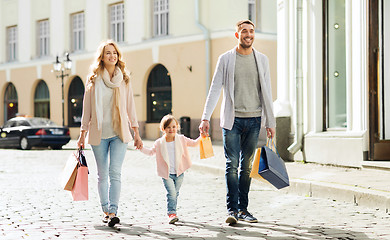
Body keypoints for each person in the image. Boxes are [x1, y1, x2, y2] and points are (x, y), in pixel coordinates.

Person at [199, 20, 276, 225]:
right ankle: (232, 209)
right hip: (231, 121)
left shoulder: (262, 60)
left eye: (251, 31)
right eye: (244, 31)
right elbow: (215, 88)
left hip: (254, 120)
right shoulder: (225, 59)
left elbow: (266, 92)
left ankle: (243, 209)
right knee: (231, 165)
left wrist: (270, 121)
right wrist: (206, 117)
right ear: (237, 35)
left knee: (246, 166)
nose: (248, 34)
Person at [76, 39, 143, 227]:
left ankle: (113, 211)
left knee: (115, 173)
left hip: (119, 133)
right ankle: (105, 210)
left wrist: (136, 133)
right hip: (98, 134)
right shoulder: (93, 80)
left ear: (118, 56)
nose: (112, 55)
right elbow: (86, 110)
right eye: (108, 53)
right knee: (102, 174)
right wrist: (82, 134)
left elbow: (131, 108)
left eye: (114, 53)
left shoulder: (124, 80)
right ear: (102, 57)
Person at [139, 114, 200, 224]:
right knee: (171, 193)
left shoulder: (181, 139)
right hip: (166, 174)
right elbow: (150, 152)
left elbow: (195, 143)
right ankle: (171, 213)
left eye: (173, 127)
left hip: (179, 173)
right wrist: (141, 147)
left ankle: (173, 212)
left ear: (177, 127)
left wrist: (203, 136)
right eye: (168, 127)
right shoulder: (159, 143)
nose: (171, 129)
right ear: (163, 129)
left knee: (175, 193)